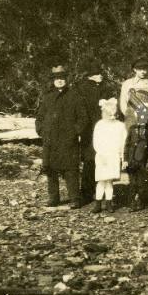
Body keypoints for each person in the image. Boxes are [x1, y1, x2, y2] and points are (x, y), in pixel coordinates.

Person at [36, 65, 88, 209]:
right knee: (50, 170)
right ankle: (53, 198)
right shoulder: (47, 97)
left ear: (66, 79)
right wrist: (41, 130)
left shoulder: (74, 96)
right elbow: (39, 117)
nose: (59, 81)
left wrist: (74, 132)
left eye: (62, 78)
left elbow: (83, 118)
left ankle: (74, 198)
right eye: (56, 78)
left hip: (68, 140)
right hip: (50, 140)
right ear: (52, 81)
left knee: (71, 170)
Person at [75, 61, 113, 203]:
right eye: (97, 74)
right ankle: (88, 192)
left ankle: (99, 191)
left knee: (99, 160)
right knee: (90, 161)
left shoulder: (104, 88)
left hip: (101, 129)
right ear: (90, 76)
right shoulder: (83, 89)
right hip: (90, 130)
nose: (101, 76)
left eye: (101, 73)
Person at [91, 98, 127, 214]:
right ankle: (98, 203)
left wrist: (122, 156)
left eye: (113, 113)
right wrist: (101, 154)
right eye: (108, 113)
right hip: (102, 155)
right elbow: (96, 141)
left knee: (110, 181)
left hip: (114, 155)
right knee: (101, 180)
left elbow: (123, 142)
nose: (111, 115)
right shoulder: (100, 125)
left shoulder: (120, 126)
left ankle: (109, 203)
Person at [124, 89, 148, 211]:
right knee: (132, 182)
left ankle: (142, 201)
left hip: (143, 161)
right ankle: (132, 202)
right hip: (132, 160)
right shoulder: (132, 129)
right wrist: (126, 159)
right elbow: (127, 145)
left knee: (143, 182)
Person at [119, 59, 148, 127]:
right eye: (140, 69)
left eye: (145, 69)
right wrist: (129, 116)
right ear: (135, 69)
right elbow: (123, 103)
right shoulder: (127, 84)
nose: (143, 72)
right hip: (131, 120)